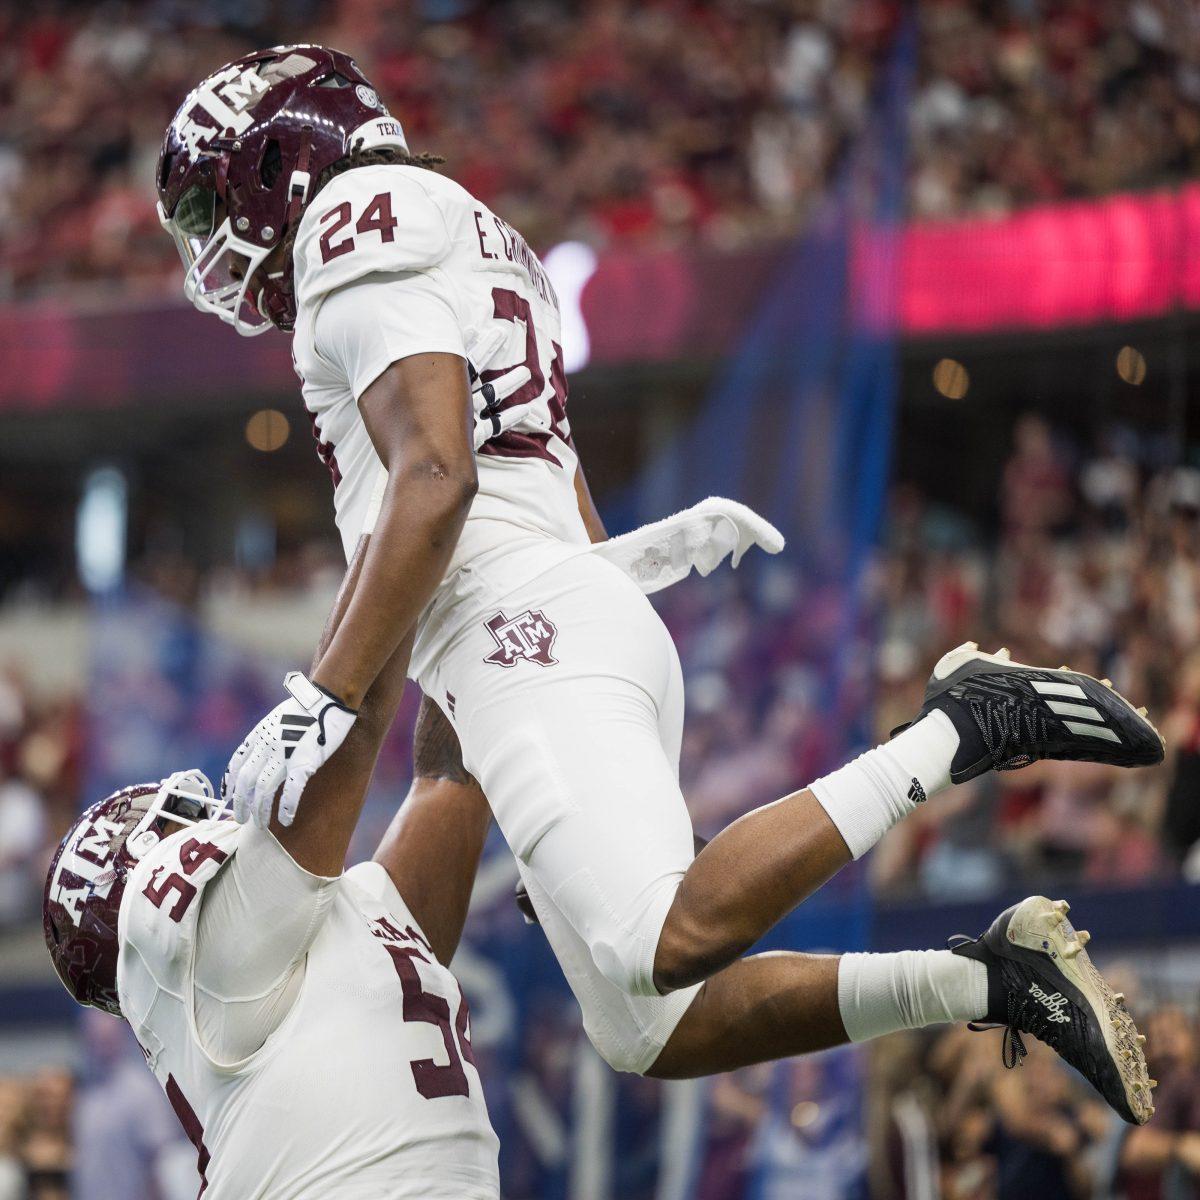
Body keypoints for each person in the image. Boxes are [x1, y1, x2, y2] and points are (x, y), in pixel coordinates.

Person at [157, 45, 1163, 1126]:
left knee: (657, 942)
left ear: (284, 159)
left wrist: (326, 695)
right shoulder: (452, 221)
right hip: (554, 621)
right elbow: (522, 476)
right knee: (651, 1025)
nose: (209, 244)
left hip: (521, 632)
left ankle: (963, 728)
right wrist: (618, 570)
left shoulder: (356, 216)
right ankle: (992, 981)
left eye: (216, 202)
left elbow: (438, 477)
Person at [41, 561, 501, 1199]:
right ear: (146, 879)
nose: (215, 816)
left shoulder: (320, 941)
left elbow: (453, 775)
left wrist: (486, 595)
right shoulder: (210, 958)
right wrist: (396, 511)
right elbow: (354, 716)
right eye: (179, 819)